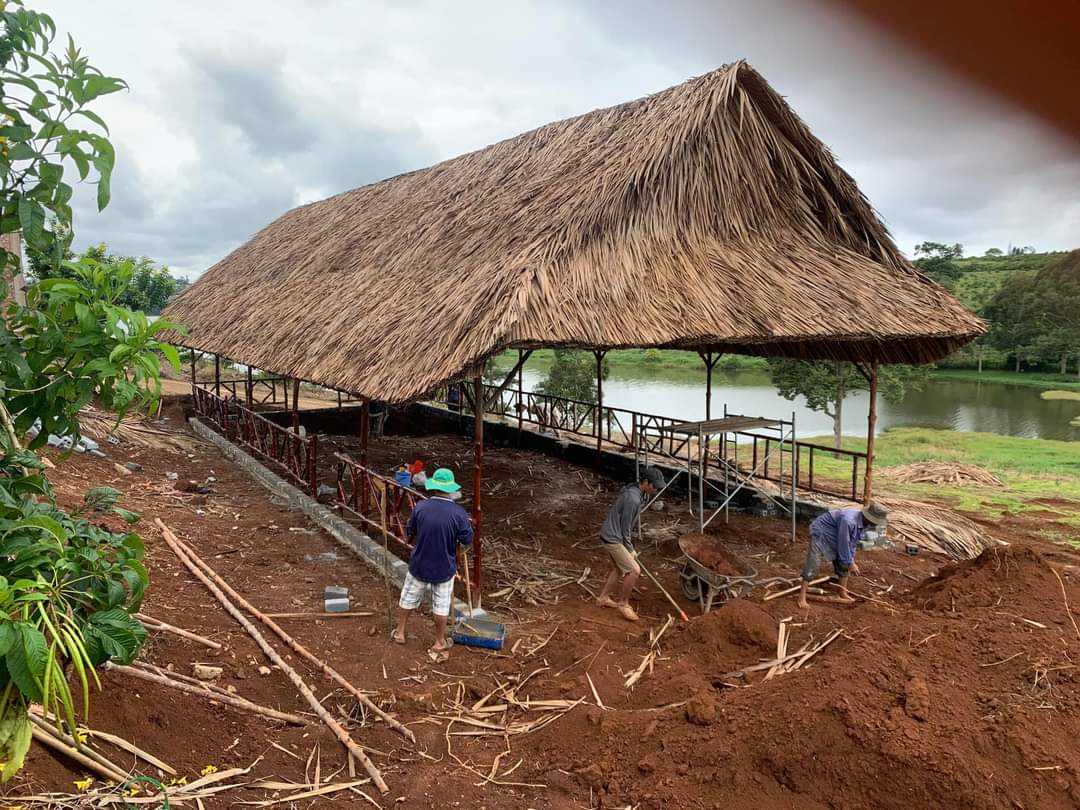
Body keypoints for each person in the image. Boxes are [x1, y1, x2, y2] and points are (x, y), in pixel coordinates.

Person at [391, 468, 473, 660]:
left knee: (408, 597)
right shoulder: (459, 513)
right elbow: (467, 538)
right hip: (444, 566)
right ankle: (439, 641)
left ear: (433, 487)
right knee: (441, 605)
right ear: (450, 490)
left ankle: (400, 632)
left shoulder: (420, 507)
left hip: (419, 562)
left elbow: (410, 529)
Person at [596, 467, 666, 622]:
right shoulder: (632, 499)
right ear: (646, 482)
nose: (656, 489)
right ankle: (623, 604)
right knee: (634, 570)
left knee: (619, 568)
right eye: (654, 486)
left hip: (613, 534)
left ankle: (603, 598)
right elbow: (625, 526)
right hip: (613, 538)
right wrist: (630, 548)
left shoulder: (639, 493)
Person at [798, 501, 888, 609]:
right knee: (814, 563)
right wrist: (850, 562)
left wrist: (851, 560)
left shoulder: (865, 523)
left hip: (837, 533)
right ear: (868, 517)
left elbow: (852, 542)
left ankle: (842, 592)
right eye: (875, 521)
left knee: (844, 563)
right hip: (822, 531)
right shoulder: (848, 520)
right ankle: (801, 597)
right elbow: (844, 543)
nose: (876, 524)